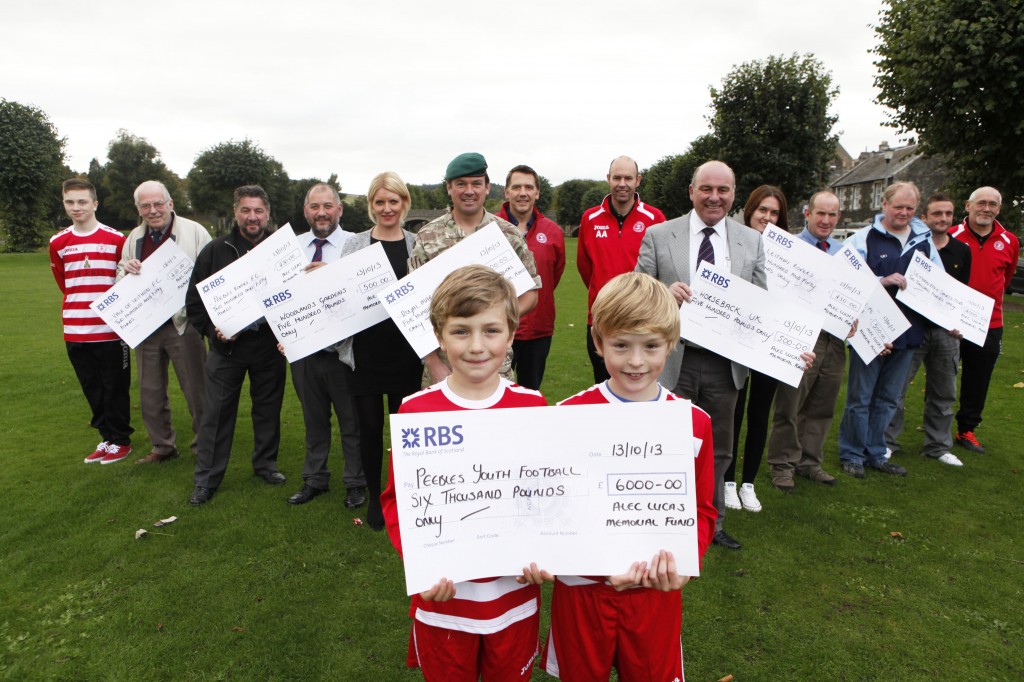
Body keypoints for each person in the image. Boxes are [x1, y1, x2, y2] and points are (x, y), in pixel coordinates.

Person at [541, 272, 716, 682]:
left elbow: (703, 510)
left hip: (654, 591)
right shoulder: (566, 416)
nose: (636, 361)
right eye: (621, 345)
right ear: (599, 343)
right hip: (582, 590)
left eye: (651, 346)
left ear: (670, 345)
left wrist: (686, 565)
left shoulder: (693, 424)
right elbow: (550, 505)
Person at [381, 265, 548, 681]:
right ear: (439, 335)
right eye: (461, 331)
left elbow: (547, 498)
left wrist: (545, 552)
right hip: (445, 601)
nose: (476, 346)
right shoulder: (416, 411)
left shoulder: (533, 407)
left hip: (515, 596)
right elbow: (397, 501)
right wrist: (420, 564)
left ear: (511, 334)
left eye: (491, 330)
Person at [635, 160, 767, 551]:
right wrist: (663, 292)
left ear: (733, 194)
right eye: (706, 189)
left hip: (724, 366)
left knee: (719, 447)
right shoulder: (660, 235)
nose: (714, 197)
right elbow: (636, 289)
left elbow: (762, 306)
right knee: (661, 441)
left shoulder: (751, 241)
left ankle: (711, 525)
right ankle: (656, 520)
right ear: (691, 191)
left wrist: (790, 351)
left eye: (723, 190)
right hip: (672, 359)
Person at [186, 185, 287, 506]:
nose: (252, 217)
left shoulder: (281, 252)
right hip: (226, 350)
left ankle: (266, 465)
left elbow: (298, 293)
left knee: (268, 409)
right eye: (246, 210)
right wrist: (213, 331)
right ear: (235, 213)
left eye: (258, 211)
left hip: (270, 347)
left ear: (268, 214)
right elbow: (194, 303)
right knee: (215, 415)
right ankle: (207, 480)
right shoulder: (215, 251)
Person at [838, 182, 944, 479]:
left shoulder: (924, 240)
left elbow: (939, 284)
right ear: (884, 205)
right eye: (898, 206)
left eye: (910, 208)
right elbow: (843, 280)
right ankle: (852, 454)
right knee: (860, 398)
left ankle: (876, 452)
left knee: (888, 399)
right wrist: (881, 281)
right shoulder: (863, 238)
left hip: (908, 334)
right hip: (869, 332)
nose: (904, 213)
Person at [409, 152, 541, 386]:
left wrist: (495, 320)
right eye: (461, 184)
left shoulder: (508, 235)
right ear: (449, 188)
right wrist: (433, 364)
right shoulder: (427, 237)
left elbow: (530, 294)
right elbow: (412, 309)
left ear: (488, 187)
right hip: (443, 364)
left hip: (494, 361)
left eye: (476, 183)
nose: (469, 190)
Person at [337, 172, 422, 530]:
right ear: (371, 205)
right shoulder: (355, 245)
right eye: (380, 202)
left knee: (405, 430)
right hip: (365, 352)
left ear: (405, 203)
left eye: (394, 201)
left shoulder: (418, 243)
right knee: (369, 429)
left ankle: (405, 496)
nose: (387, 208)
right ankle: (375, 499)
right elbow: (340, 295)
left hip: (406, 352)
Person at [117, 180, 211, 464]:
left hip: (184, 324)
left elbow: (212, 273)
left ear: (171, 204)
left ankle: (205, 444)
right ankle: (162, 447)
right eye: (145, 205)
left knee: (197, 389)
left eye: (158, 203)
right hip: (146, 328)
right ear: (139, 209)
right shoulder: (134, 237)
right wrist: (127, 270)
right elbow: (121, 278)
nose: (153, 210)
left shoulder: (194, 232)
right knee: (150, 392)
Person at [285, 183, 365, 508]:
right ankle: (314, 479)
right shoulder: (291, 249)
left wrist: (332, 275)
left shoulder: (357, 244)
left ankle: (356, 483)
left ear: (339, 210)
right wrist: (284, 333)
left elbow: (365, 292)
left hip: (342, 353)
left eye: (327, 206)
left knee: (351, 422)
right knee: (313, 420)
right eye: (314, 207)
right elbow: (279, 298)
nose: (321, 213)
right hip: (303, 354)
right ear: (306, 211)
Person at [766, 191, 849, 490]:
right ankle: (782, 465)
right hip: (800, 338)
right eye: (820, 214)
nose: (826, 220)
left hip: (834, 341)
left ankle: (809, 462)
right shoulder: (790, 249)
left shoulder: (844, 253)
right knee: (790, 405)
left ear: (838, 216)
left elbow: (852, 297)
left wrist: (851, 319)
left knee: (822, 404)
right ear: (807, 213)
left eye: (832, 214)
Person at [49, 178, 133, 464]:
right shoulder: (58, 243)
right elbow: (65, 283)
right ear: (64, 204)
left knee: (115, 387)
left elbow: (123, 282)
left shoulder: (116, 240)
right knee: (92, 388)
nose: (76, 208)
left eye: (82, 202)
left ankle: (121, 440)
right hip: (75, 329)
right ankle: (106, 439)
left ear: (95, 203)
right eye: (70, 202)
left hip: (110, 331)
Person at [885, 193, 971, 467]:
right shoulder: (913, 247)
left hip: (946, 333)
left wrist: (959, 322)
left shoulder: (962, 251)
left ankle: (938, 446)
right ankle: (887, 442)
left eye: (948, 213)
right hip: (912, 329)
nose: (943, 218)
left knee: (944, 392)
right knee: (896, 389)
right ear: (925, 218)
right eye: (937, 214)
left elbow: (961, 293)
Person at [725, 185, 789, 512]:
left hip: (772, 343)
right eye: (762, 210)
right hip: (736, 339)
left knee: (760, 412)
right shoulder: (732, 243)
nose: (767, 217)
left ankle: (748, 482)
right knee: (732, 411)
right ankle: (727, 481)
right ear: (749, 210)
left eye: (774, 212)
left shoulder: (792, 255)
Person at [577, 156, 666, 383]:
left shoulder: (655, 218)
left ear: (638, 180)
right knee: (603, 389)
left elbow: (663, 270)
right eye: (617, 177)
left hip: (643, 320)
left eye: (628, 178)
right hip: (601, 319)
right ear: (608, 179)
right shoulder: (590, 218)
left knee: (641, 389)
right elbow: (585, 267)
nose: (622, 183)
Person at [949, 186, 1020, 453]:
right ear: (968, 205)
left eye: (992, 204)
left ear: (999, 209)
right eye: (981, 203)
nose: (986, 209)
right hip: (952, 322)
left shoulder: (1010, 241)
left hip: (989, 324)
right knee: (942, 376)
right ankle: (935, 425)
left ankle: (966, 430)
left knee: (978, 379)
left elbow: (1006, 277)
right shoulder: (951, 235)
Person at [496, 165, 566, 390]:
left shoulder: (553, 231)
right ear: (506, 192)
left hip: (538, 328)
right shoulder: (488, 227)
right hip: (497, 327)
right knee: (495, 393)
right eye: (516, 187)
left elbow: (554, 275)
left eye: (529, 187)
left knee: (530, 393)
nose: (522, 193)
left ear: (537, 192)